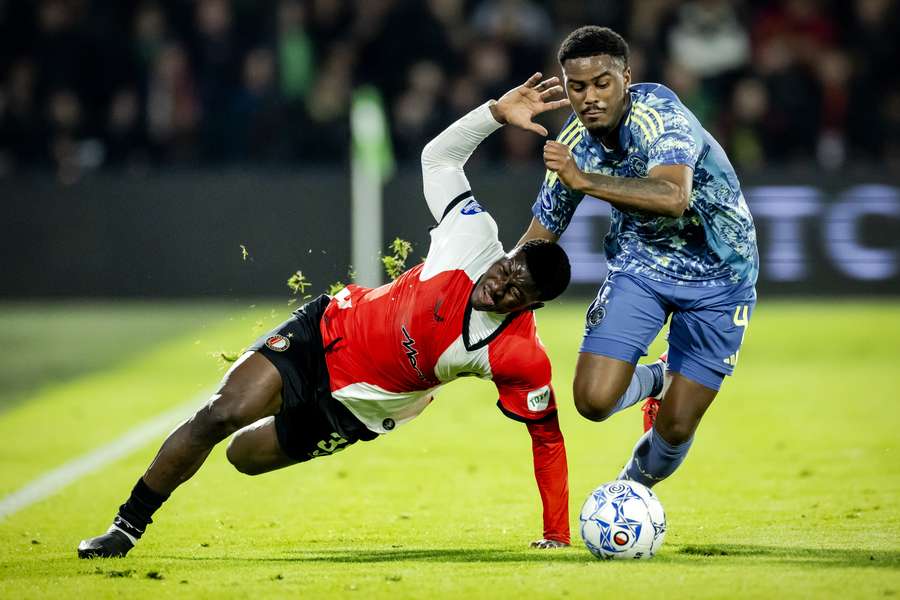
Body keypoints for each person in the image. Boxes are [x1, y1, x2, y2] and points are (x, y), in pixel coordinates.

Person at [78, 74, 574, 558]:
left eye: (515, 292)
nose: (499, 285)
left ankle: (276, 412)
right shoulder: (472, 236)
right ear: (509, 253)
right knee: (222, 413)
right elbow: (438, 158)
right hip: (326, 332)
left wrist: (556, 533)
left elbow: (546, 438)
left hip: (359, 409)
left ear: (531, 306)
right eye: (507, 269)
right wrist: (493, 113)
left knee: (243, 458)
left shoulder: (520, 356)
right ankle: (126, 527)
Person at [519, 26, 758, 488]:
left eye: (602, 83)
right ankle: (658, 376)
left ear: (626, 77)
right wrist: (476, 297)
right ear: (566, 88)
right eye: (578, 87)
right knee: (592, 401)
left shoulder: (661, 116)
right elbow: (537, 240)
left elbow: (673, 196)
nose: (590, 97)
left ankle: (628, 491)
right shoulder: (573, 144)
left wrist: (584, 181)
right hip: (642, 265)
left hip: (721, 274)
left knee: (673, 427)